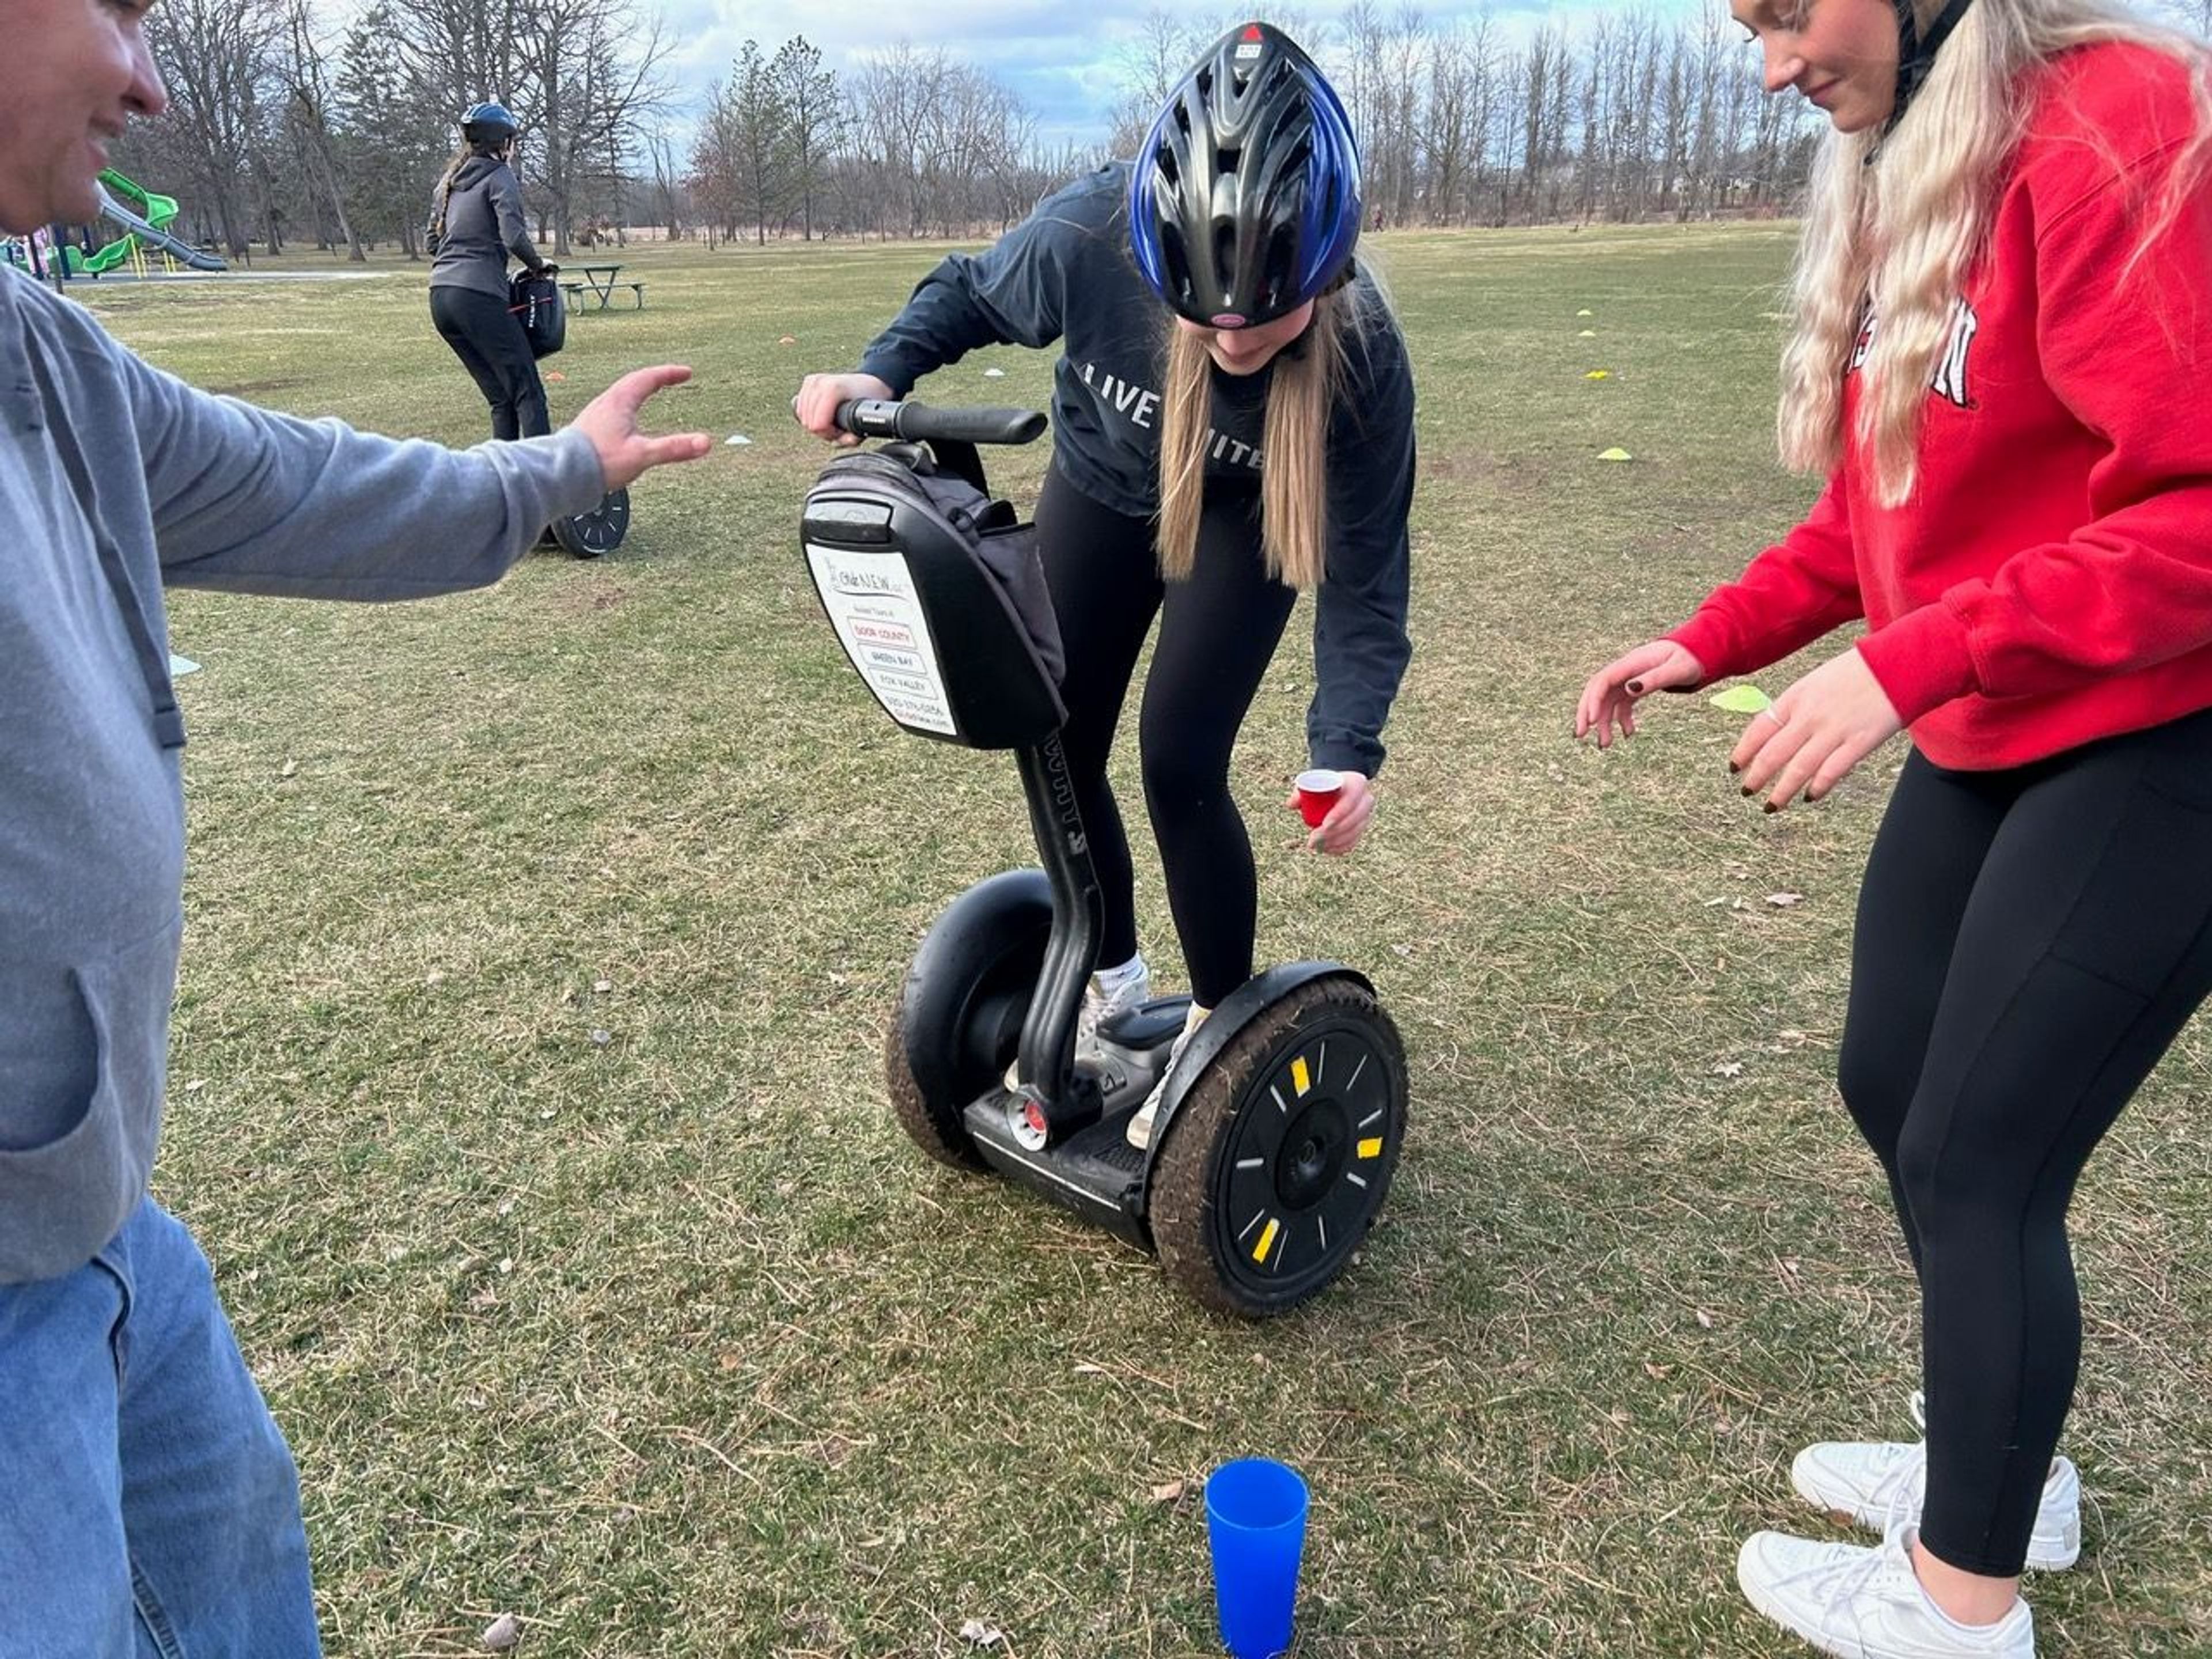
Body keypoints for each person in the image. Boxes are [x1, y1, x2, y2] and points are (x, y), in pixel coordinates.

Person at [0, 2, 711, 1651]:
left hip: (93, 1223)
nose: (148, 81)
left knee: (232, 1549)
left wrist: (554, 470)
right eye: (112, 9)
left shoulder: (42, 355)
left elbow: (300, 488)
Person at [1576, 1, 2212, 1653]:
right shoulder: (1910, 158)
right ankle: (2006, 1473)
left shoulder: (2115, 118)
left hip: (2158, 726)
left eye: (1790, 9)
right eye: (1749, 25)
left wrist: (1904, 665)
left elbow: (2197, 513)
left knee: (1978, 1154)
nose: (1773, 64)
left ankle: (1962, 1608)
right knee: (1893, 1081)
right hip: (1998, 719)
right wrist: (1709, 639)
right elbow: (1878, 516)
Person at [794, 21, 1415, 1147]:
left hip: (1246, 515)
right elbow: (970, 293)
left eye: (1265, 317)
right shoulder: (1087, 233)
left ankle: (1216, 1032)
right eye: (1202, 315)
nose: (1232, 340)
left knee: (1178, 758)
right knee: (1057, 730)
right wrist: (879, 368)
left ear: (1326, 270)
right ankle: (1112, 982)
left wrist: (1345, 746)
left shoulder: (1364, 359)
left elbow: (1369, 575)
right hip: (1103, 480)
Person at [429, 100, 554, 442]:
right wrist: (538, 266)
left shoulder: (449, 183)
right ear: (504, 142)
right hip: (478, 296)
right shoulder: (500, 176)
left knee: (502, 398)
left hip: (441, 298)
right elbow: (513, 236)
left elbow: (432, 243)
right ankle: (543, 472)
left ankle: (501, 473)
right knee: (528, 390)